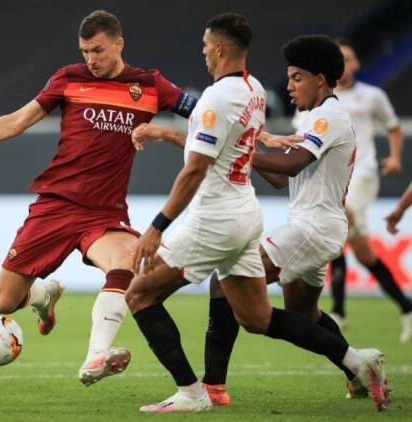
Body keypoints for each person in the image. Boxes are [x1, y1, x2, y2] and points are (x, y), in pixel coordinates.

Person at [126, 20, 388, 413]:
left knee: (215, 290)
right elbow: (258, 167)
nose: (290, 86)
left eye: (297, 78)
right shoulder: (280, 104)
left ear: (320, 80)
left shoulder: (328, 117)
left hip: (311, 228)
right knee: (302, 315)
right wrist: (187, 139)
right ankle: (356, 366)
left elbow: (291, 165)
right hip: (316, 225)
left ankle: (212, 385)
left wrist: (234, 150)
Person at [0, 10, 196, 386]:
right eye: (85, 51)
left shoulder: (150, 85)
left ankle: (95, 357)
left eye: (98, 50)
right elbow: (19, 120)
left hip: (104, 213)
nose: (91, 59)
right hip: (55, 205)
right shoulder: (69, 78)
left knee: (126, 263)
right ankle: (42, 296)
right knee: (3, 303)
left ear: (119, 44)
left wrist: (253, 136)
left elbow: (206, 117)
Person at [319, 39, 411, 341]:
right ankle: (407, 307)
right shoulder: (322, 98)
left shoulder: (371, 96)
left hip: (365, 172)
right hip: (335, 176)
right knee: (362, 251)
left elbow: (394, 127)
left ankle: (339, 311)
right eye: (338, 59)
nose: (344, 64)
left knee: (338, 221)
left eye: (348, 58)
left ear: (357, 64)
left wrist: (396, 157)